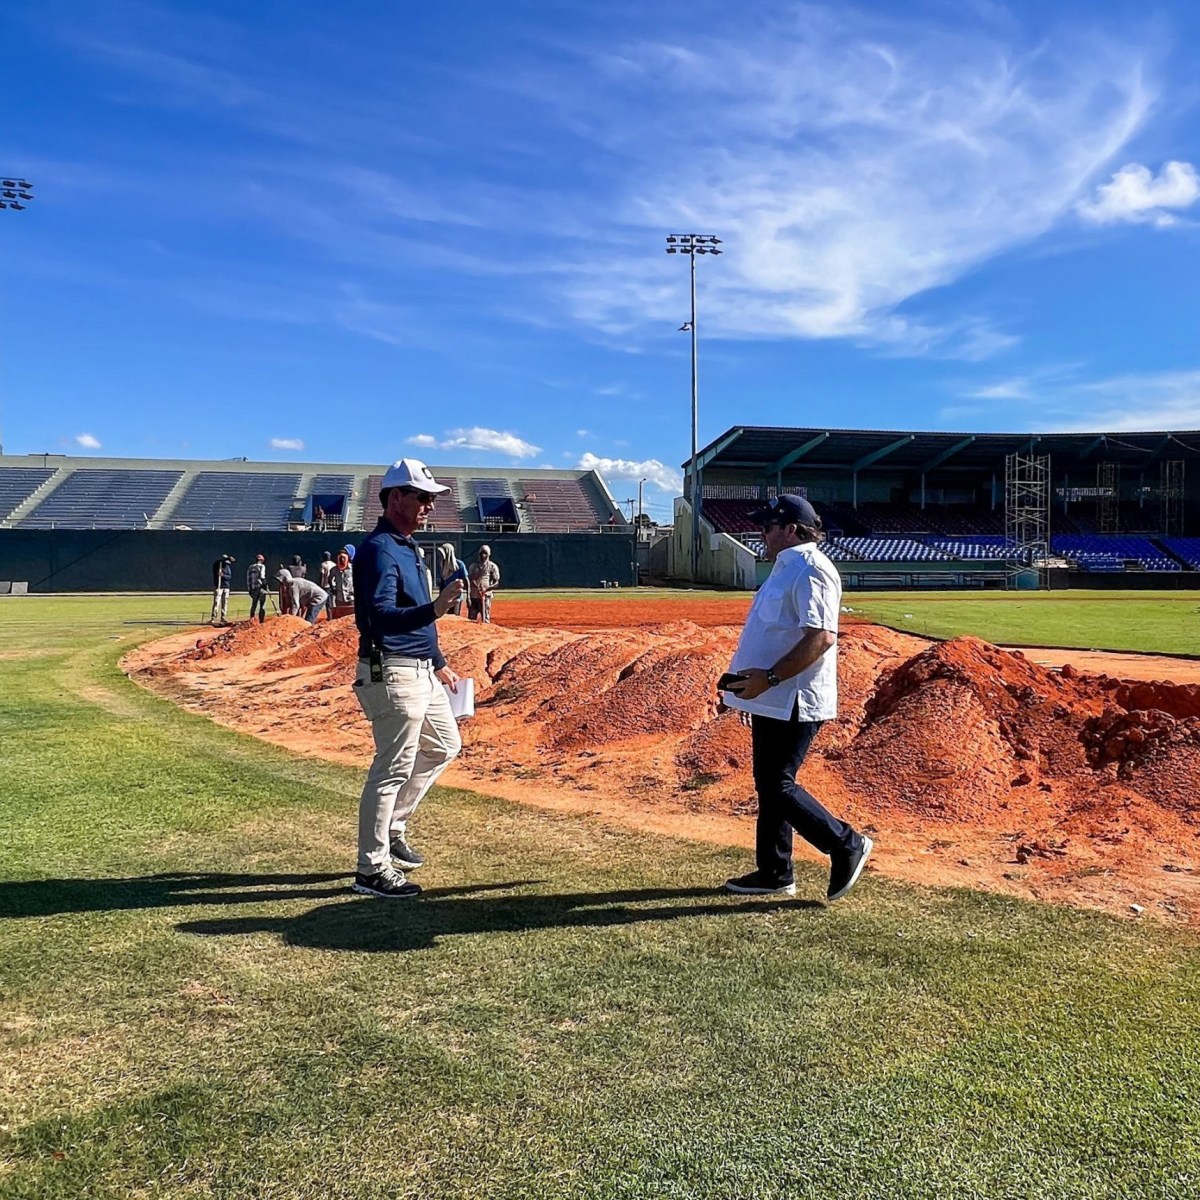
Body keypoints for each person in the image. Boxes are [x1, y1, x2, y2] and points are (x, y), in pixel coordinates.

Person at [719, 494, 873, 903]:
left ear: (790, 529)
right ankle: (774, 871)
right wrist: (750, 694)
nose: (761, 533)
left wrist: (767, 680)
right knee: (769, 785)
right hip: (770, 697)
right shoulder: (785, 569)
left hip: (793, 697)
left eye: (767, 526)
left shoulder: (810, 568)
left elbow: (820, 636)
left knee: (777, 784)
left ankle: (845, 843)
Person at [350, 458, 465, 899]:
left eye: (432, 499)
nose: (429, 506)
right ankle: (371, 869)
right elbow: (378, 618)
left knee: (445, 745)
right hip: (392, 670)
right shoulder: (380, 549)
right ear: (395, 497)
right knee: (391, 768)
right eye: (423, 497)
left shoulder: (407, 546)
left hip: (419, 669)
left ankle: (393, 827)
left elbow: (417, 620)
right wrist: (434, 609)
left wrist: (437, 659)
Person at [467, 545, 500, 623]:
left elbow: (496, 582)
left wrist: (487, 588)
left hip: (485, 596)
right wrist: (474, 587)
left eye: (485, 553)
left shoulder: (492, 567)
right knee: (471, 619)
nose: (483, 556)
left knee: (485, 619)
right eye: (481, 553)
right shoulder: (473, 566)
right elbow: (469, 580)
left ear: (489, 555)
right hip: (474, 597)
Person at [436, 542, 465, 617]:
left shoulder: (459, 564)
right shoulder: (441, 565)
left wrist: (468, 597)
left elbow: (466, 580)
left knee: (455, 616)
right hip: (446, 596)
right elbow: (442, 582)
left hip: (456, 596)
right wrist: (440, 596)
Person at [210, 554, 235, 625]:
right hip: (219, 587)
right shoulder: (217, 566)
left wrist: (223, 575)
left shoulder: (227, 567)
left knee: (224, 603)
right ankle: (213, 617)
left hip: (226, 587)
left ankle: (223, 617)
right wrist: (219, 574)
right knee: (216, 602)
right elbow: (216, 569)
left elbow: (229, 577)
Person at [246, 554, 269, 624]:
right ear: (261, 560)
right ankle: (261, 621)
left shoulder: (250, 567)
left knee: (254, 604)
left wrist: (249, 589)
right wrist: (266, 584)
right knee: (262, 605)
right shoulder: (262, 566)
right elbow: (262, 576)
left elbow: (248, 579)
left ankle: (251, 619)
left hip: (253, 589)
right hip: (261, 588)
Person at [319, 550, 336, 619]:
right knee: (332, 601)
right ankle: (332, 616)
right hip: (333, 585)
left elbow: (322, 576)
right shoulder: (334, 564)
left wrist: (320, 585)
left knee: (327, 602)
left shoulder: (323, 564)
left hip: (325, 585)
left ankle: (330, 617)